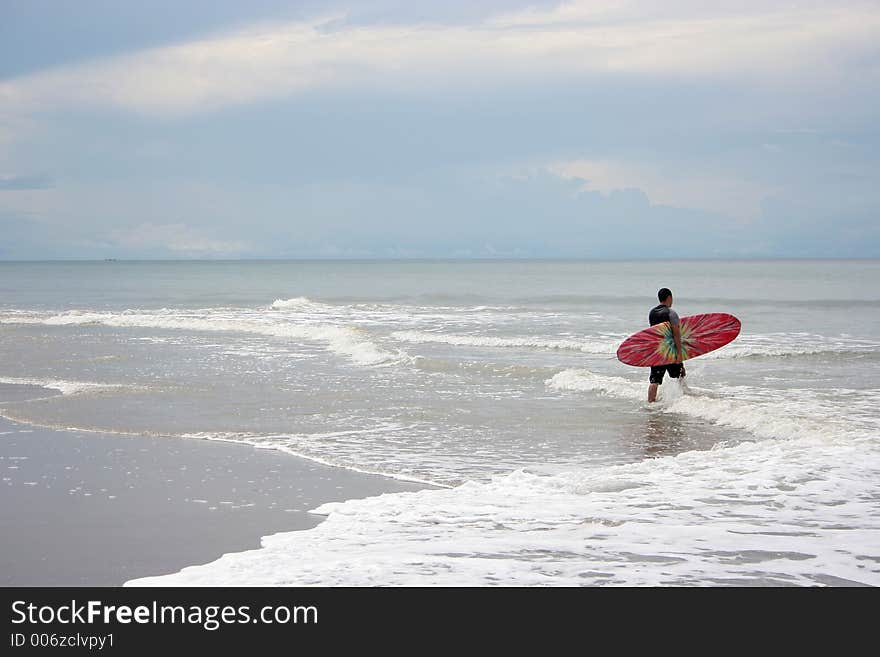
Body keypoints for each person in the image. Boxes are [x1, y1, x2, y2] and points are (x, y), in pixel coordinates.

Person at [647, 287, 685, 402]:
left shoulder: (652, 313)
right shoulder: (671, 313)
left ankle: (650, 404)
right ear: (669, 297)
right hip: (670, 352)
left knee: (654, 381)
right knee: (680, 374)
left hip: (657, 352)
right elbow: (676, 335)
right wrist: (679, 354)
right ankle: (682, 400)